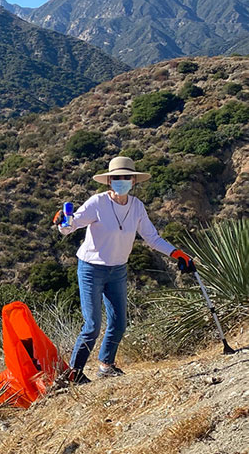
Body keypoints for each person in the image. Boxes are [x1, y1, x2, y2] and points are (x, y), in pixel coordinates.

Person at [55, 156, 194, 382]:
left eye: (126, 177)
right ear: (109, 181)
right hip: (91, 269)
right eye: (117, 177)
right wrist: (63, 221)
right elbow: (70, 226)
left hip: (118, 270)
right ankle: (73, 373)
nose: (121, 181)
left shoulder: (137, 206)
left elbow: (152, 238)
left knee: (119, 323)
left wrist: (176, 253)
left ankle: (106, 365)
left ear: (133, 181)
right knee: (92, 325)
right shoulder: (97, 203)